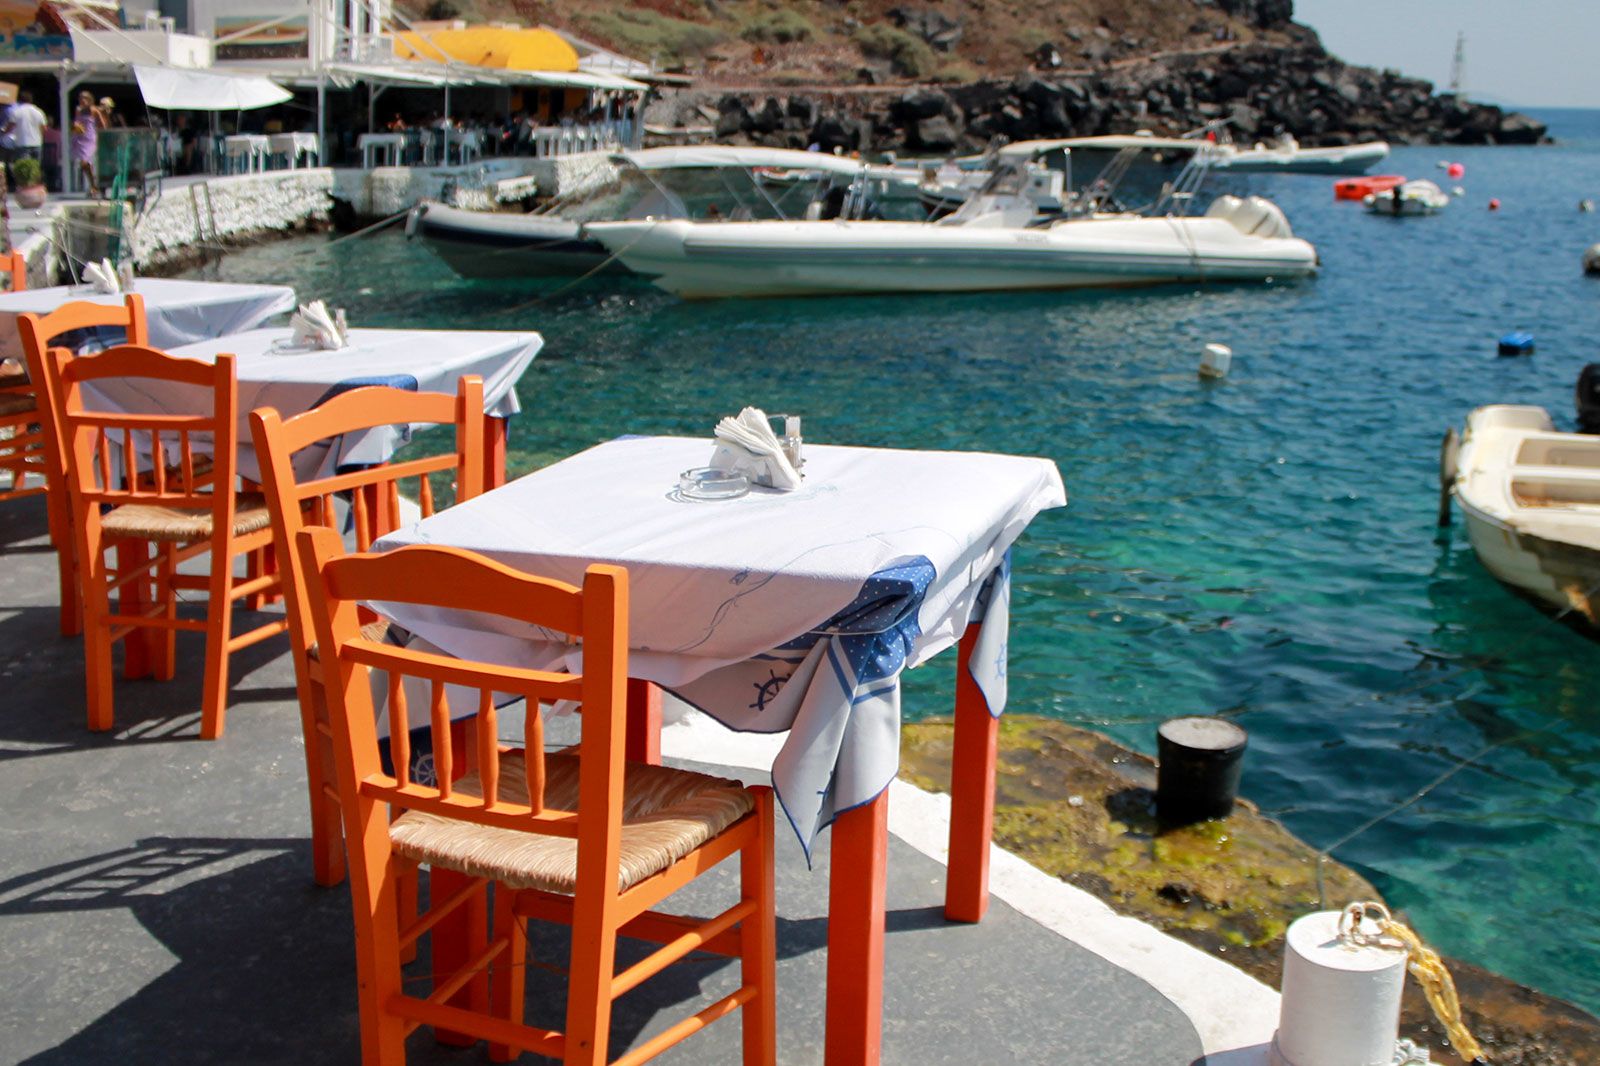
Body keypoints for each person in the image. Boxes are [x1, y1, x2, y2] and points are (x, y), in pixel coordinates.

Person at [1, 91, 47, 177]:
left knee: (23, 168)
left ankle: (25, 186)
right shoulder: (38, 112)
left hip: (22, 142)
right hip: (37, 143)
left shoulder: (16, 112)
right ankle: (34, 185)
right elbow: (44, 128)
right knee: (36, 167)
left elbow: (10, 127)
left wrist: (3, 132)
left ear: (20, 100)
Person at [71, 90, 106, 197]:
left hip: (90, 138)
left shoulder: (94, 110)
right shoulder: (78, 110)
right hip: (80, 137)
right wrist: (75, 126)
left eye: (85, 98)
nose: (82, 100)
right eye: (81, 98)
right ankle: (93, 185)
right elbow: (76, 122)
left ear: (90, 100)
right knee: (84, 163)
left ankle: (94, 184)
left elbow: (102, 125)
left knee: (86, 162)